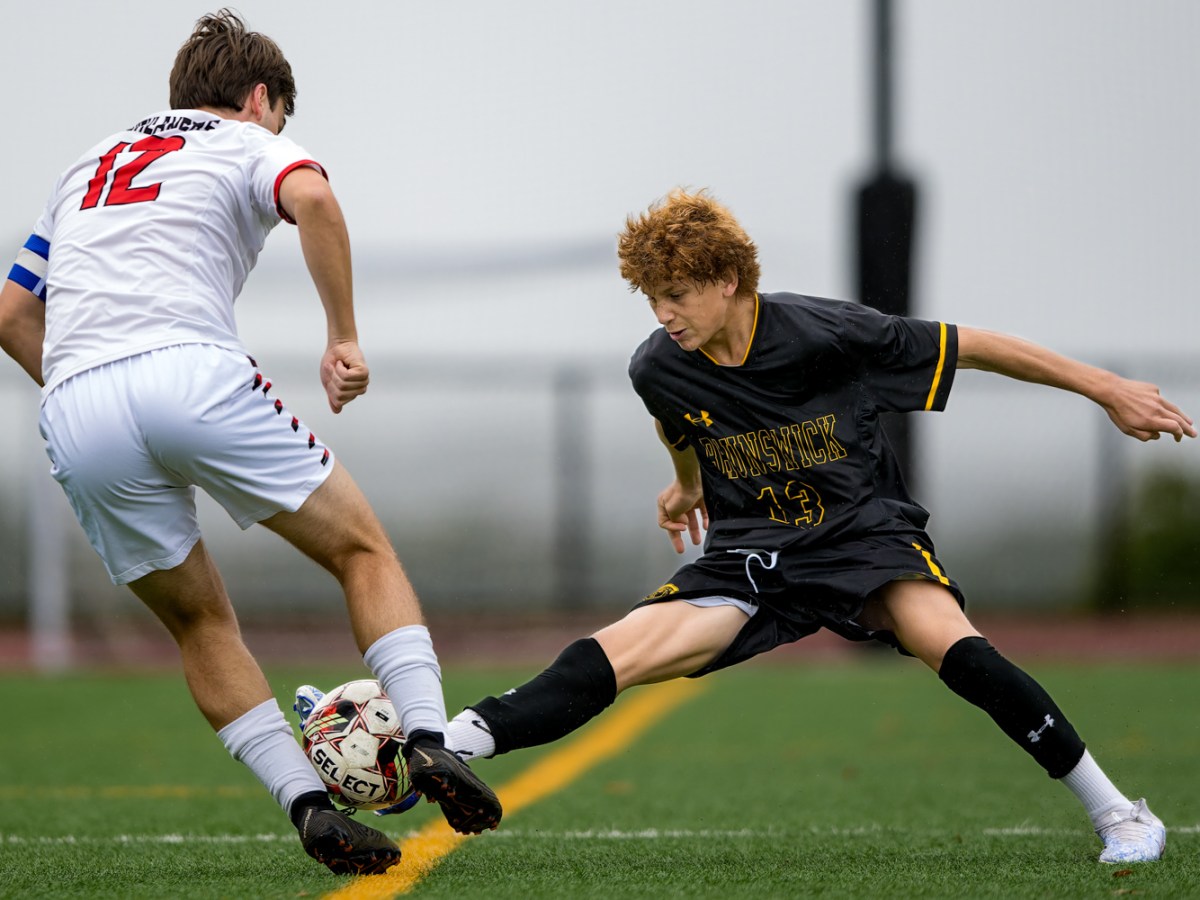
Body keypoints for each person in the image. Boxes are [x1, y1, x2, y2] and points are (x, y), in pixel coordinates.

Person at [439, 188, 1194, 864]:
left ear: (727, 280)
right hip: (752, 555)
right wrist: (684, 486)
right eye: (650, 299)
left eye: (675, 294)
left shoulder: (828, 334)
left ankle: (1120, 813)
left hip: (862, 538)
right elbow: (681, 425)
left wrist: (1106, 388)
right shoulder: (659, 367)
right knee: (615, 652)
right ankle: (446, 744)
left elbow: (974, 346)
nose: (663, 314)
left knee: (961, 654)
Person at [0, 10, 500, 876]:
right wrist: (344, 336)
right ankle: (426, 739)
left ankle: (307, 806)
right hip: (190, 370)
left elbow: (10, 315)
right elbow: (314, 199)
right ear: (261, 99)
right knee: (361, 551)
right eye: (282, 116)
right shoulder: (245, 142)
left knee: (199, 622)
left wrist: (95, 392)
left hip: (76, 401)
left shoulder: (86, 163)